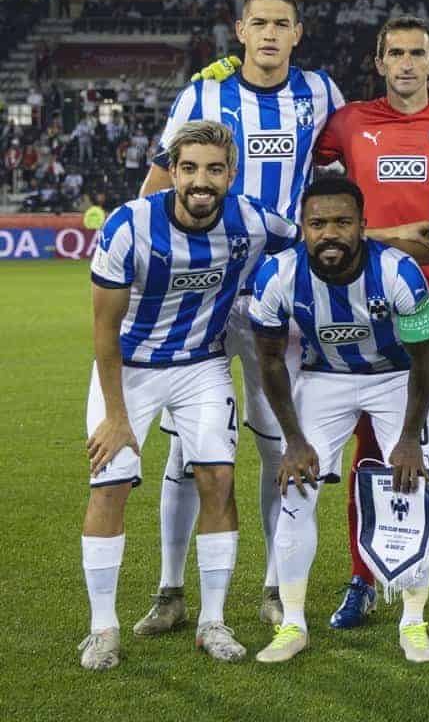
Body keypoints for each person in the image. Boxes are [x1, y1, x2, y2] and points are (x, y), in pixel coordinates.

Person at [135, 0, 346, 634]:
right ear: (240, 29)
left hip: (279, 295)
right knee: (184, 450)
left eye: (282, 23)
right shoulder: (203, 92)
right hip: (201, 293)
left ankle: (275, 587)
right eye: (260, 23)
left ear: (297, 32)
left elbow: (355, 153)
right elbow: (161, 181)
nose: (271, 34)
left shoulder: (321, 93)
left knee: (278, 444)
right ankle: (171, 592)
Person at [79, 120, 299, 670]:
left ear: (230, 174)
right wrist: (115, 415)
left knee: (217, 478)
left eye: (215, 169)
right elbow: (104, 333)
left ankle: (212, 622)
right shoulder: (128, 227)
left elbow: (318, 237)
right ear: (172, 172)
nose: (202, 181)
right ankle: (102, 628)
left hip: (201, 365)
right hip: (130, 368)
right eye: (191, 168)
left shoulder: (249, 218)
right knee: (110, 485)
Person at [313, 16, 429, 629]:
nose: (408, 63)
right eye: (397, 54)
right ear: (380, 62)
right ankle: (362, 577)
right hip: (369, 304)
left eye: (419, 53)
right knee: (371, 445)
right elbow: (292, 163)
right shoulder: (347, 123)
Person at [250, 176, 429, 664]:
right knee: (296, 488)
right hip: (324, 376)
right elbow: (271, 362)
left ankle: (413, 623)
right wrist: (292, 440)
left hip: (397, 376)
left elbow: (425, 359)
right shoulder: (277, 276)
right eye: (318, 223)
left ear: (362, 225)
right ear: (302, 227)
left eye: (341, 222)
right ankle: (293, 625)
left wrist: (408, 438)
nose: (329, 233)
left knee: (413, 487)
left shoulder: (400, 272)